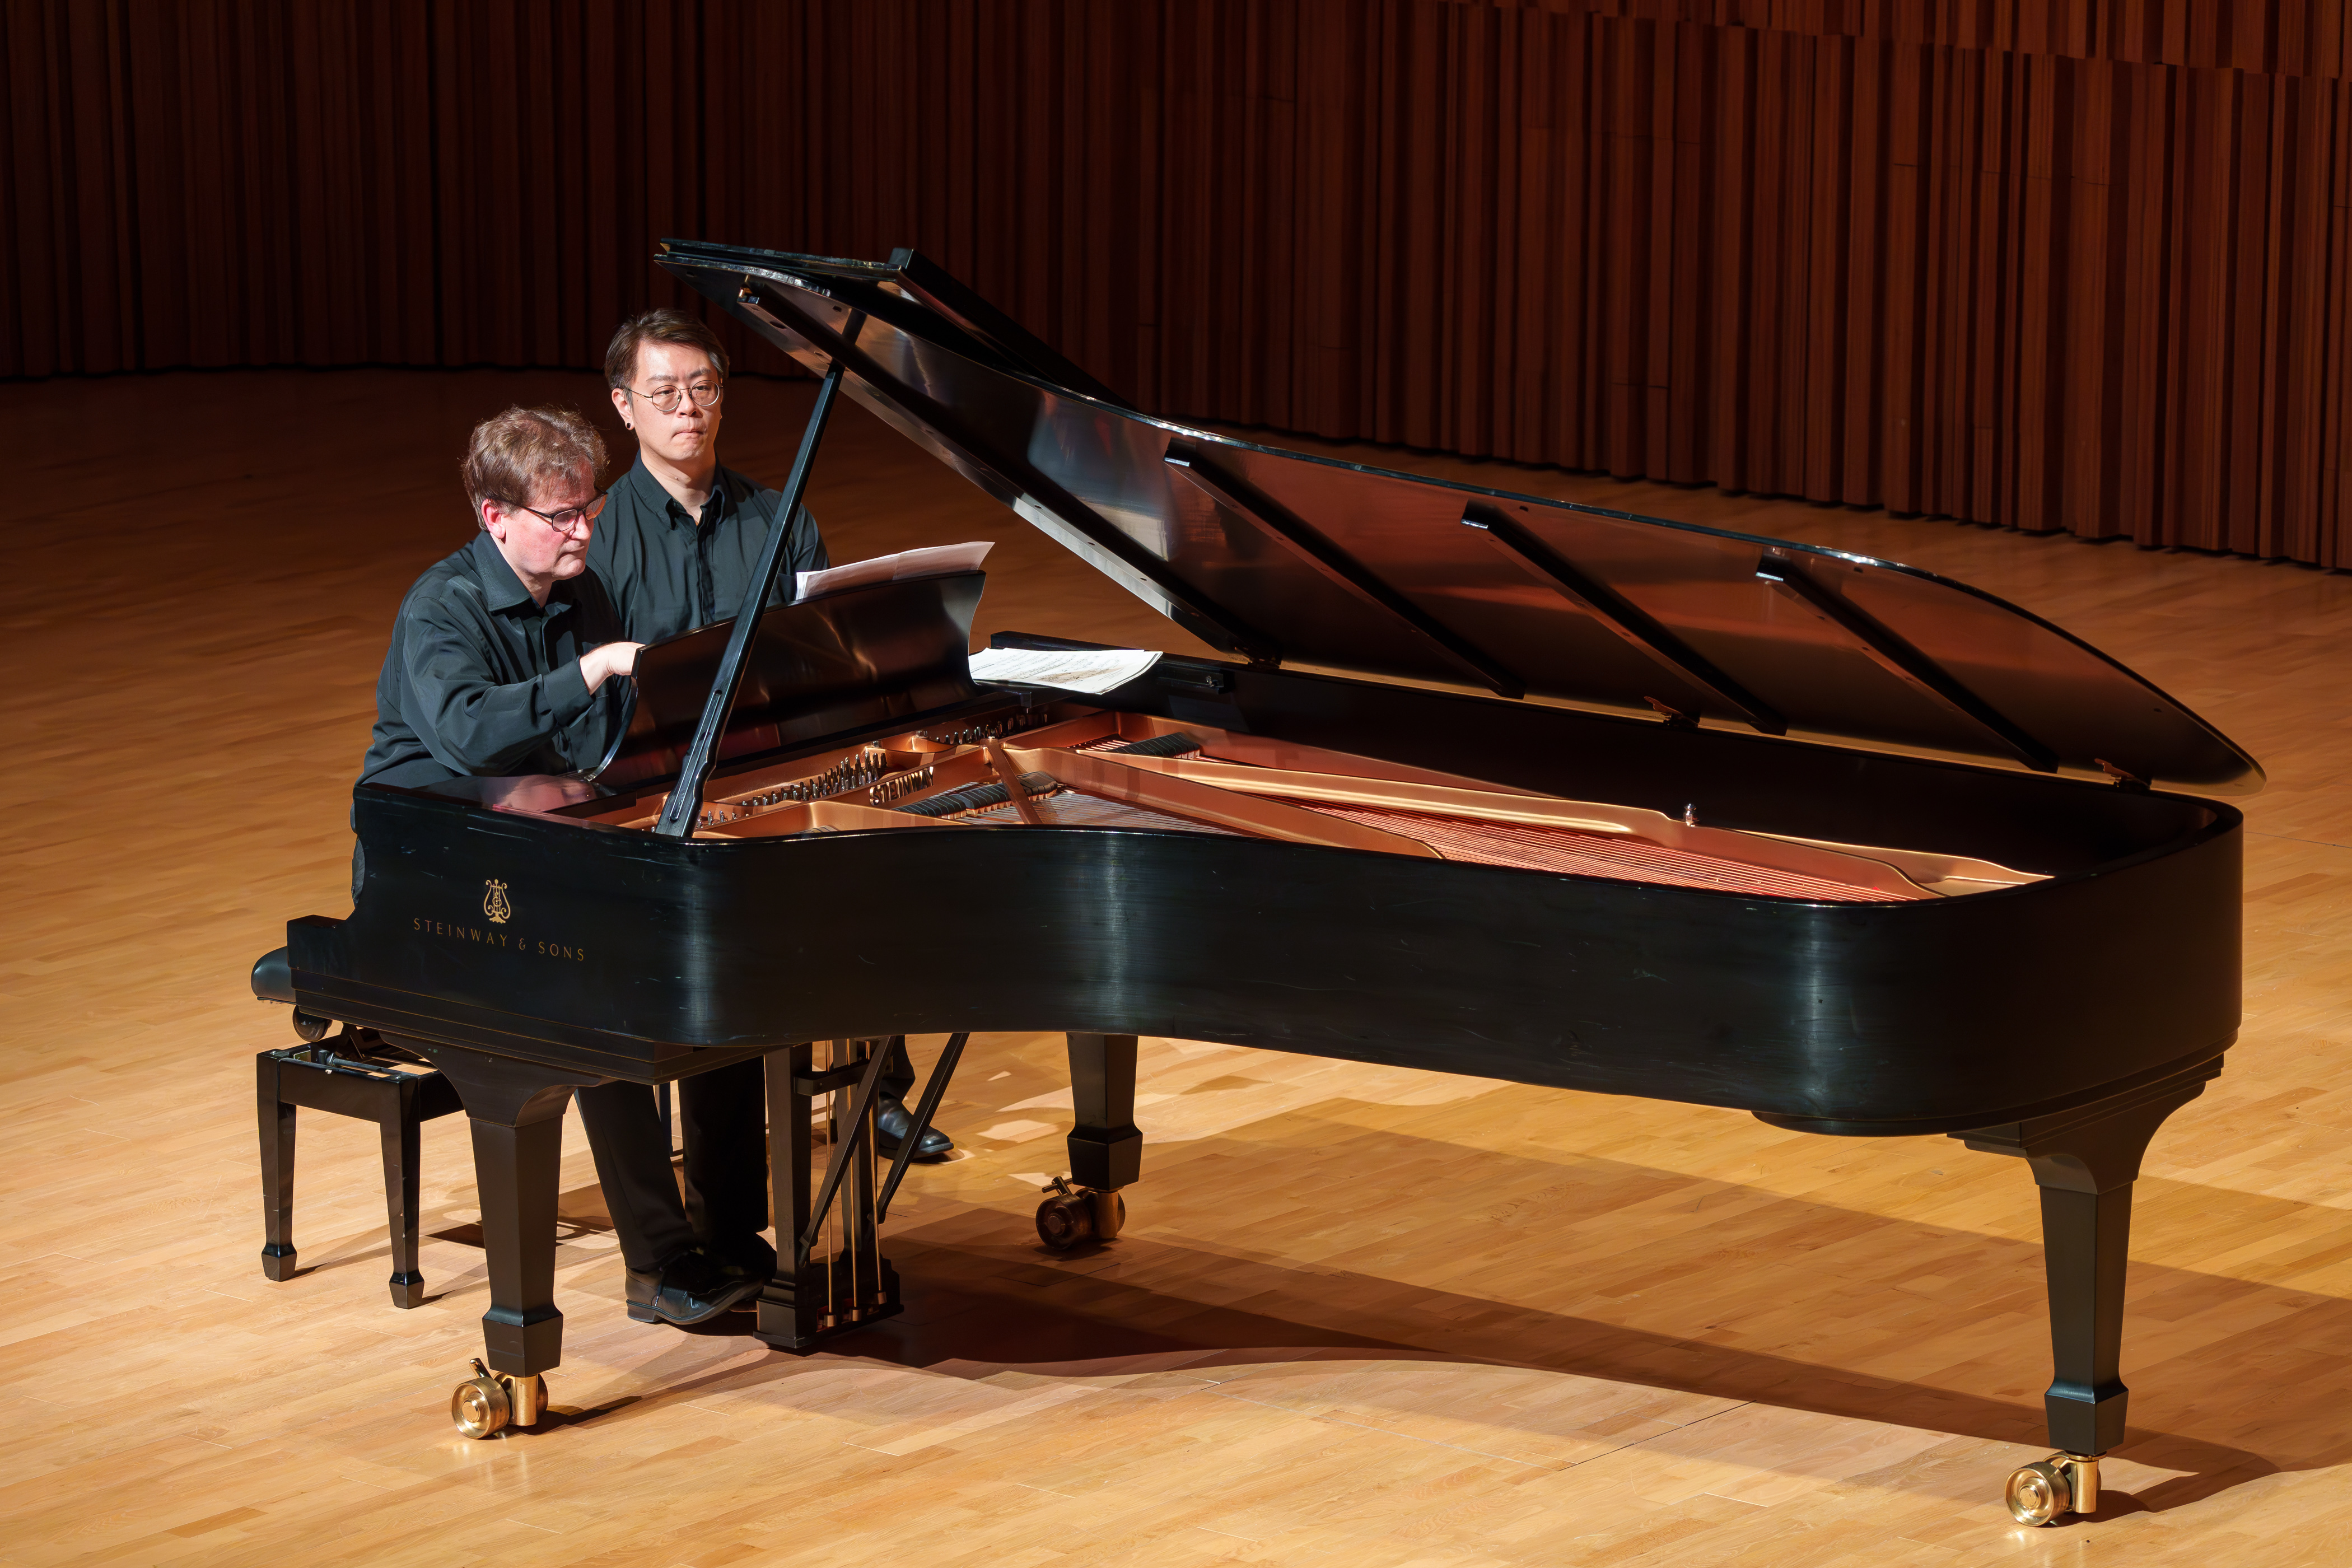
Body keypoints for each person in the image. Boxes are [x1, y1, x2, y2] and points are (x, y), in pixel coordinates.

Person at [357, 404, 764, 1328]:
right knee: (598, 1016)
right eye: (562, 515)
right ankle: (661, 1266)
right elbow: (465, 735)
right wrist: (586, 676)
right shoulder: (441, 607)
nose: (586, 529)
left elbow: (602, 742)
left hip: (550, 843)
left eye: (589, 507)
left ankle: (735, 1238)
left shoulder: (580, 591)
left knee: (721, 984)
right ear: (494, 516)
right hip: (433, 869)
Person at [589, 306, 955, 1163]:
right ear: (623, 405)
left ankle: (876, 1093)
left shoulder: (778, 516)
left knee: (875, 871)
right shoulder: (599, 535)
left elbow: (820, 648)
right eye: (666, 391)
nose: (688, 407)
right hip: (658, 789)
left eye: (705, 388)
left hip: (774, 765)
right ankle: (713, 1118)